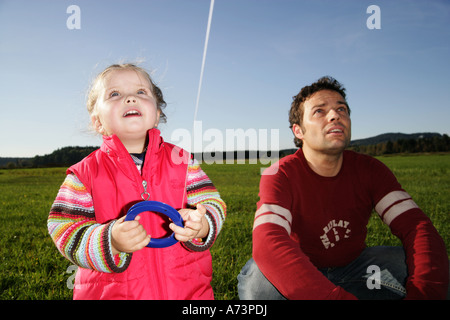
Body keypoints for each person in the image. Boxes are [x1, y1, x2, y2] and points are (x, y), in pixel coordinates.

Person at [237, 76, 448, 300]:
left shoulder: (370, 169)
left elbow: (416, 227)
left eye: (342, 109)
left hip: (357, 267)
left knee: (433, 269)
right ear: (298, 131)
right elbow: (268, 241)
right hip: (298, 267)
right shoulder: (279, 173)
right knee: (257, 285)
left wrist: (425, 293)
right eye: (319, 111)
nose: (335, 115)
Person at [47, 63, 226, 300]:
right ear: (97, 121)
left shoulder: (182, 161)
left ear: (157, 113)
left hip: (188, 294)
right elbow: (64, 229)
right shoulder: (84, 174)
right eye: (115, 94)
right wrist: (109, 240)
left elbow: (212, 203)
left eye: (141, 92)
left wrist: (202, 225)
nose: (130, 98)